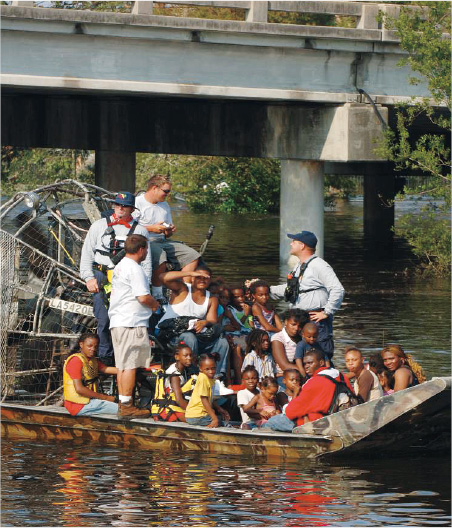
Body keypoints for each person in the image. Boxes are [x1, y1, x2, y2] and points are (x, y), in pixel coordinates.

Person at [80, 191, 152, 364]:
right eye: (117, 205)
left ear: (132, 209)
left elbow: (146, 262)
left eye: (125, 206)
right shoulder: (98, 226)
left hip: (127, 279)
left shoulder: (140, 230)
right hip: (102, 276)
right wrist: (88, 278)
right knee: (103, 319)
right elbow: (86, 255)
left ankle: (128, 358)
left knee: (128, 319)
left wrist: (146, 284)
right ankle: (105, 359)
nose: (120, 208)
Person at [270, 230, 345, 360]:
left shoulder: (319, 265)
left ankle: (327, 377)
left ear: (302, 245)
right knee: (305, 357)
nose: (291, 244)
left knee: (321, 355)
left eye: (294, 241)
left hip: (316, 321)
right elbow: (290, 289)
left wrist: (326, 312)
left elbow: (338, 289)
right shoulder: (299, 266)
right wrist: (266, 288)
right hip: (302, 320)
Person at [109, 234, 160, 418]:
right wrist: (156, 305)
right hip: (131, 322)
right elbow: (143, 297)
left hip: (118, 321)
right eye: (146, 249)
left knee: (123, 365)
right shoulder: (135, 269)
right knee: (130, 365)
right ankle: (128, 406)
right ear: (140, 250)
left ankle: (124, 404)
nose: (146, 252)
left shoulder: (121, 265)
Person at [132, 174, 200, 299]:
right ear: (154, 188)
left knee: (192, 255)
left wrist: (169, 230)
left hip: (162, 240)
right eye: (166, 191)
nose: (167, 194)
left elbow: (168, 234)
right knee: (160, 255)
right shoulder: (137, 203)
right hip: (143, 241)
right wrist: (151, 228)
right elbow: (129, 228)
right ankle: (158, 295)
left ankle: (183, 291)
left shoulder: (165, 205)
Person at [158, 264, 230, 379]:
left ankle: (216, 378)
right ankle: (191, 376)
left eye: (205, 278)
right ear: (192, 278)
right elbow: (162, 277)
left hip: (196, 335)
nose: (202, 280)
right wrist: (189, 273)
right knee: (189, 337)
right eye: (198, 277)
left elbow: (212, 319)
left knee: (222, 342)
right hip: (171, 335)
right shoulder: (183, 289)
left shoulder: (212, 298)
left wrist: (204, 322)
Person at [284, 349, 355, 426]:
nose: (306, 366)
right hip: (343, 418)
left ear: (321, 363)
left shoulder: (314, 382)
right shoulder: (340, 376)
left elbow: (290, 412)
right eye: (304, 364)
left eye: (310, 363)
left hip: (318, 424)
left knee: (274, 421)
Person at [63, 333, 118, 416]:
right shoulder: (76, 361)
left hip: (90, 402)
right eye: (89, 346)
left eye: (95, 347)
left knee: (119, 405)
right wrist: (105, 397)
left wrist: (130, 371)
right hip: (79, 405)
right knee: (122, 409)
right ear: (81, 345)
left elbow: (106, 369)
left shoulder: (92, 360)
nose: (93, 349)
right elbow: (79, 389)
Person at [151, 342, 197, 422]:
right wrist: (192, 413)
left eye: (190, 355)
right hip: (171, 409)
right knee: (196, 420)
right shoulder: (174, 375)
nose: (189, 358)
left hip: (178, 406)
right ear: (177, 357)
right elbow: (179, 399)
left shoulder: (185, 370)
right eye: (185, 356)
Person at [185, 354, 230, 428]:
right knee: (220, 422)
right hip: (196, 416)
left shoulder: (210, 379)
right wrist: (214, 419)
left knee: (220, 419)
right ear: (200, 369)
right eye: (207, 369)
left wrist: (219, 409)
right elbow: (204, 399)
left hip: (198, 416)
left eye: (213, 368)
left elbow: (210, 398)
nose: (211, 371)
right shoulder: (203, 378)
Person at [271, 309, 307, 388]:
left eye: (300, 326)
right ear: (286, 322)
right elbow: (284, 365)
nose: (296, 328)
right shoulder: (278, 338)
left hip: (302, 375)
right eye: (293, 324)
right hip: (284, 377)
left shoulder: (302, 338)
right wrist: (304, 371)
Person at [237, 366, 260, 430]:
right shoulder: (242, 393)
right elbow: (246, 410)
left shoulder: (261, 392)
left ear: (258, 379)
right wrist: (261, 412)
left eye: (254, 378)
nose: (251, 381)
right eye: (247, 379)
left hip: (262, 421)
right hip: (249, 423)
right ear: (243, 381)